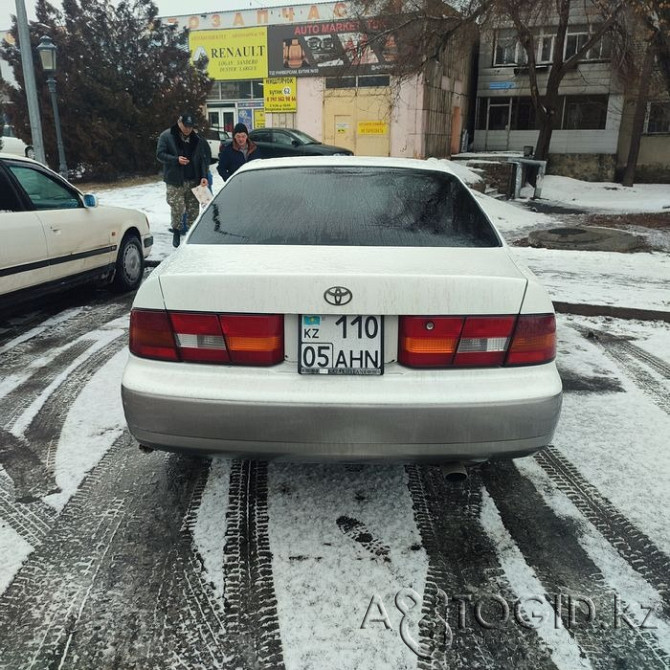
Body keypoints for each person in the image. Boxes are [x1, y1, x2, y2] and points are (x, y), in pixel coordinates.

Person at [157, 111, 211, 248]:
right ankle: (176, 230)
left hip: (194, 180)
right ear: (179, 123)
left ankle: (192, 237)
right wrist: (175, 160)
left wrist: (204, 176)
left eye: (190, 126)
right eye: (186, 126)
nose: (188, 129)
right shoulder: (167, 136)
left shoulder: (197, 138)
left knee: (195, 209)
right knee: (178, 208)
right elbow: (160, 154)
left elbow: (203, 160)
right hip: (175, 180)